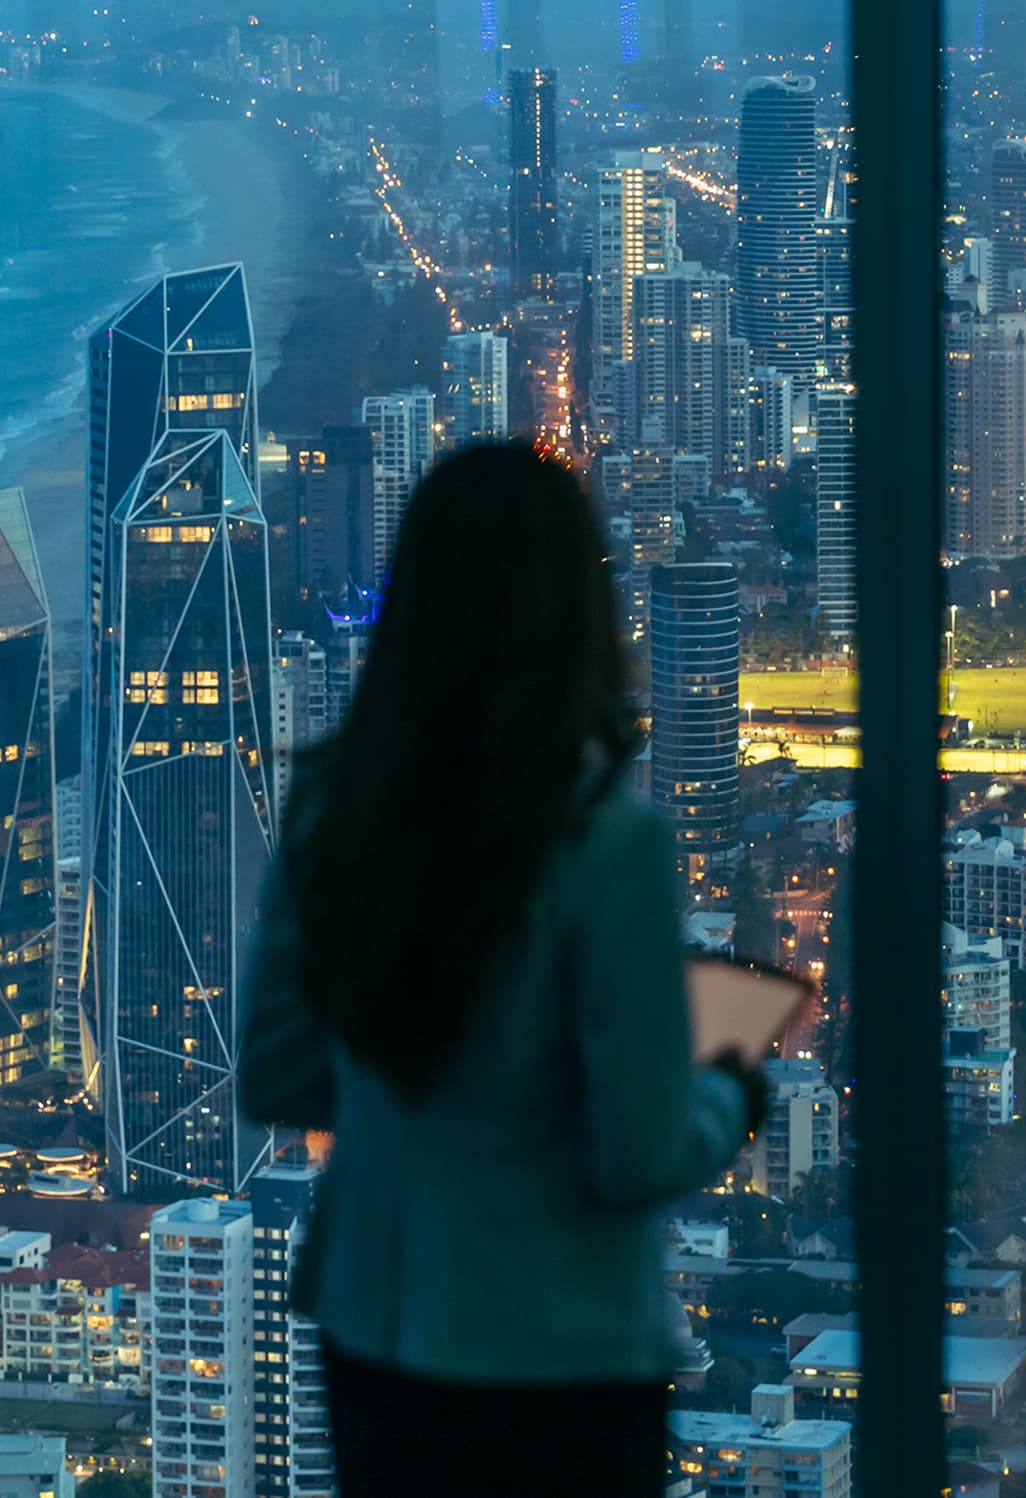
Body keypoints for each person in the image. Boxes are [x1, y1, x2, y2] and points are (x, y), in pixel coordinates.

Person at [238, 444, 766, 1496]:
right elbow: (635, 1152)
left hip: (380, 1327)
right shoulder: (606, 846)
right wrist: (726, 1089)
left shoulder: (334, 811)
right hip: (562, 1347)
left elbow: (276, 1076)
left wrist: (415, 1080)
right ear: (579, 614)